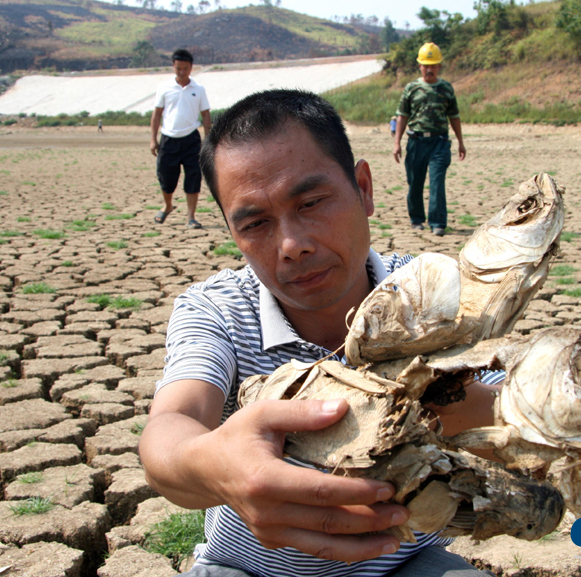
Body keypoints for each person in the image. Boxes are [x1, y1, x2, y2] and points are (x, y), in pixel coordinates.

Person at [140, 89, 500, 577]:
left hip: (405, 565)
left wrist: (416, 400)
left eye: (311, 202)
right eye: (255, 224)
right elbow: (170, 431)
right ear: (230, 231)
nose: (291, 245)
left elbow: (503, 417)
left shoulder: (427, 291)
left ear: (364, 188)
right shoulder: (218, 310)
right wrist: (219, 469)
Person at [392, 42, 466, 237]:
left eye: (433, 65)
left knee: (437, 182)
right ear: (420, 66)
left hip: (439, 143)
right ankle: (416, 219)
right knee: (415, 182)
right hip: (416, 142)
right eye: (426, 65)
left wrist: (460, 141)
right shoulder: (411, 88)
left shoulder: (446, 89)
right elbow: (402, 116)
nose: (429, 69)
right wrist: (397, 143)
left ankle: (437, 222)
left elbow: (454, 116)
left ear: (439, 66)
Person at [150, 48, 212, 229]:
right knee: (166, 177)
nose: (182, 72)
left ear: (191, 68)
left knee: (193, 177)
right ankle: (167, 205)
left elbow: (206, 115)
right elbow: (156, 115)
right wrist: (153, 139)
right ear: (173, 67)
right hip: (169, 138)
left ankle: (191, 217)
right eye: (178, 68)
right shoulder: (164, 88)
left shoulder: (198, 89)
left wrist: (207, 140)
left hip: (191, 139)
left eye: (185, 68)